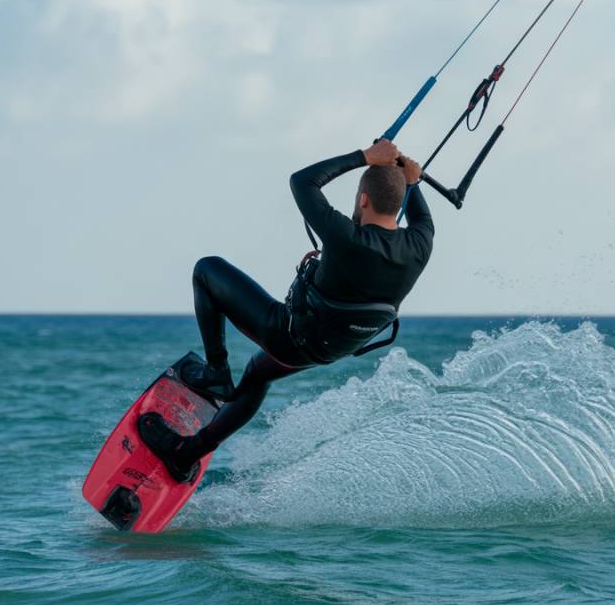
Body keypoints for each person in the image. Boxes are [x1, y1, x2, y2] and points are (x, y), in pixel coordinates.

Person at [138, 138, 434, 482]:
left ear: (363, 199)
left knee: (206, 269)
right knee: (257, 373)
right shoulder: (420, 244)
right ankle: (186, 453)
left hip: (291, 336)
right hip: (333, 347)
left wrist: (365, 157)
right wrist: (412, 181)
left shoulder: (345, 236)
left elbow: (303, 181)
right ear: (400, 201)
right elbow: (419, 213)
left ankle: (216, 372)